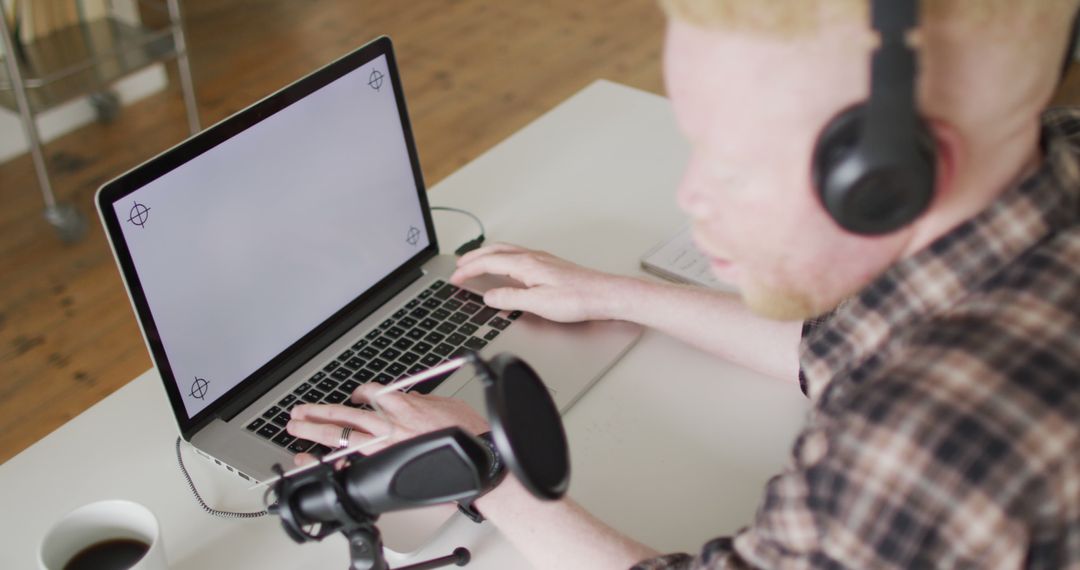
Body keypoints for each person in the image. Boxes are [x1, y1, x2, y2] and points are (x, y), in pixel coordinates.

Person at [286, 0, 1080, 567]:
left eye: (735, 165)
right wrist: (615, 295)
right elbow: (851, 345)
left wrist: (478, 466)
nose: (692, 197)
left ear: (885, 179)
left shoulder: (929, 437)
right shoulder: (1045, 166)